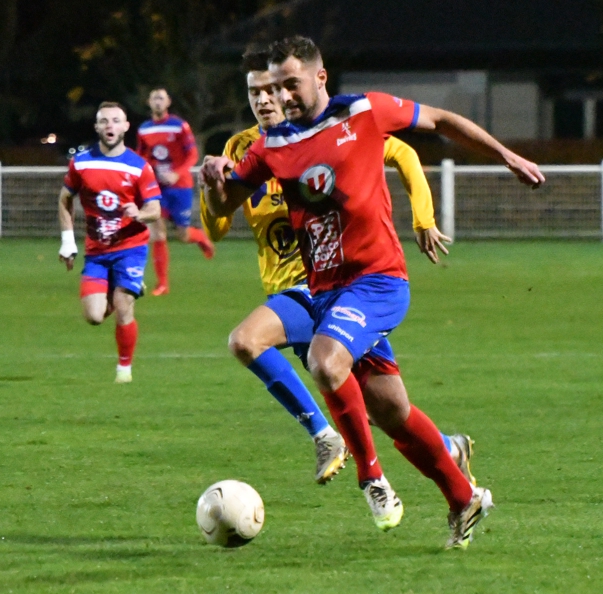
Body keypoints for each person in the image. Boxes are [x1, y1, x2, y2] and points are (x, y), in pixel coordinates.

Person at [202, 36, 544, 549]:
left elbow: (442, 121)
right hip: (326, 294)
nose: (283, 96)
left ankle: (370, 477)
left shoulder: (365, 111)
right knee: (392, 412)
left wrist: (506, 155)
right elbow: (225, 203)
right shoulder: (272, 146)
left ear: (320, 77)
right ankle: (462, 496)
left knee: (323, 360)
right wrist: (212, 179)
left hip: (379, 280)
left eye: (290, 83)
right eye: (274, 87)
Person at [199, 45, 475, 486]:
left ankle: (327, 438)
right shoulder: (245, 148)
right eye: (255, 92)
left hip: (327, 284)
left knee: (247, 342)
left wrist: (423, 218)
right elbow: (216, 225)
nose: (267, 99)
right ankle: (447, 449)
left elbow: (402, 153)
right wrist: (211, 184)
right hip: (296, 286)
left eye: (275, 88)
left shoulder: (335, 126)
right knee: (383, 406)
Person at [59, 101, 162, 384]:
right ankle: (127, 287)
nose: (110, 126)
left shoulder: (140, 167)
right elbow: (65, 198)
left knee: (123, 303)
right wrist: (67, 241)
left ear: (126, 126)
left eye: (116, 121)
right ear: (96, 127)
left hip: (131, 247)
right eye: (104, 121)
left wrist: (139, 213)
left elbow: (154, 209)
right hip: (97, 250)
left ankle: (124, 369)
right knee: (93, 316)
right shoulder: (81, 162)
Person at [134, 88, 213, 296]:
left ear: (168, 102)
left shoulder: (179, 126)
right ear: (149, 102)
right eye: (154, 98)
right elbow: (142, 156)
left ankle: (200, 237)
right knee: (157, 232)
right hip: (156, 187)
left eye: (161, 98)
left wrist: (177, 173)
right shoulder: (144, 129)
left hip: (180, 186)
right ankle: (162, 284)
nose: (158, 102)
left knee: (183, 235)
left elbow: (193, 153)